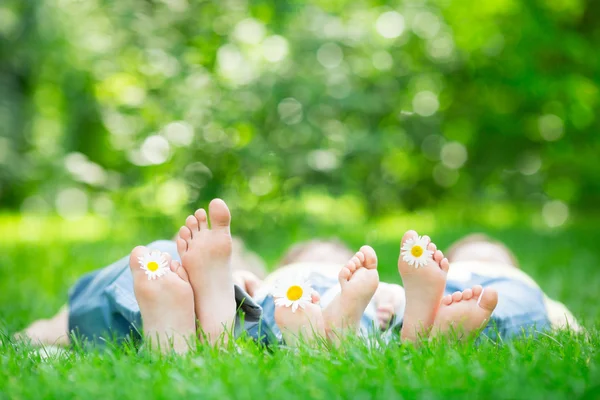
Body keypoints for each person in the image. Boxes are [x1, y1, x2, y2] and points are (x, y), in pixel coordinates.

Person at [13, 199, 579, 353]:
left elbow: (54, 325)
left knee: (166, 260)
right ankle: (421, 331)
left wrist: (41, 331)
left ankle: (209, 316)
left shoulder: (281, 273)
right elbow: (560, 318)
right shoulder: (470, 267)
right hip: (389, 306)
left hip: (282, 296)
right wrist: (567, 323)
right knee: (504, 292)